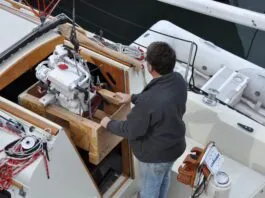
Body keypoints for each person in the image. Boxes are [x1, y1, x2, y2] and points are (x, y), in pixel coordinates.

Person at [100, 41, 187, 198]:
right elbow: (157, 99)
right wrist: (132, 98)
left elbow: (132, 129)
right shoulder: (179, 80)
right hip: (174, 147)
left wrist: (108, 123)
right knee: (163, 179)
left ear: (150, 67)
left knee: (149, 191)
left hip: (155, 157)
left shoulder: (149, 101)